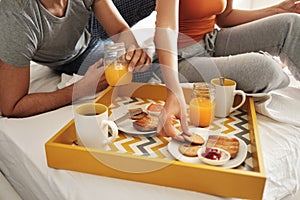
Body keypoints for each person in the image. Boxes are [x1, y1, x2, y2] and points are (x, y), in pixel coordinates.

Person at [0, 0, 152, 118]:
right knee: (138, 75)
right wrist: (80, 89)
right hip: (75, 54)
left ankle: (174, 44)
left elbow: (119, 30)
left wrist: (133, 49)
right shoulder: (17, 19)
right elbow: (11, 106)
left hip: (89, 22)